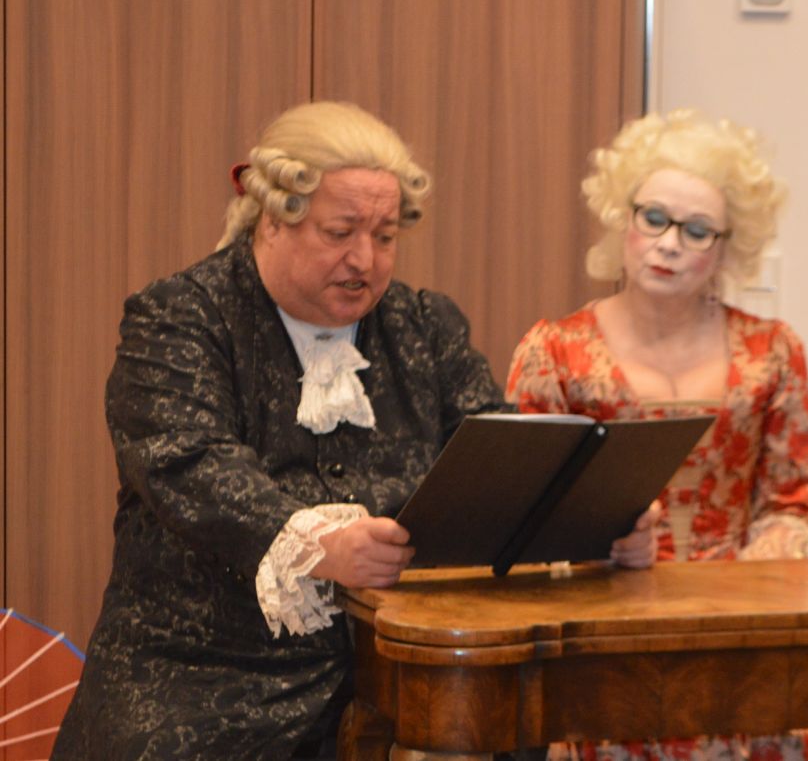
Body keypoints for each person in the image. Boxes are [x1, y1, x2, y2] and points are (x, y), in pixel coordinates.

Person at [51, 100, 657, 761]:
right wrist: (319, 545)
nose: (363, 259)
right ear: (273, 220)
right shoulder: (180, 319)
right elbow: (187, 463)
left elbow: (500, 461)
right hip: (209, 682)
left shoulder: (425, 326)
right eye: (339, 232)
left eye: (385, 237)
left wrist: (597, 523)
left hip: (402, 678)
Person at [506, 109, 808, 761]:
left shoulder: (773, 350)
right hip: (605, 631)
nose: (669, 244)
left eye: (697, 230)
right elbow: (526, 520)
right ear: (623, 219)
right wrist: (600, 544)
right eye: (654, 218)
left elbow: (789, 505)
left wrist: (743, 598)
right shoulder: (554, 351)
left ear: (725, 248)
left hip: (742, 621)